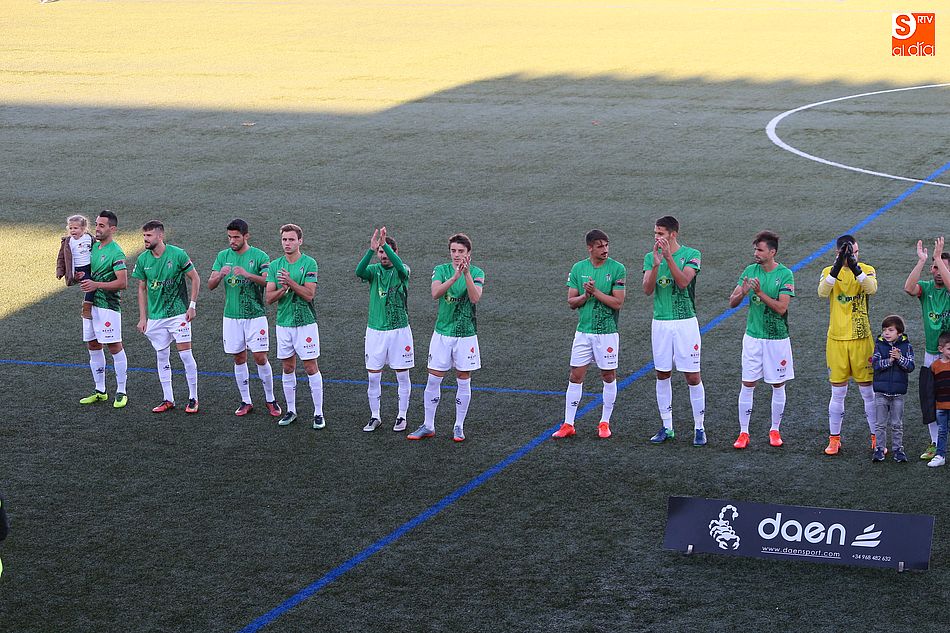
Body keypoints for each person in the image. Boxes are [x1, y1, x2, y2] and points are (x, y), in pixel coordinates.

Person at [408, 233, 484, 442]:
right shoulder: (441, 270)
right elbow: (435, 293)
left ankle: (458, 426)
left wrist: (466, 274)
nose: (456, 255)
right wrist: (454, 277)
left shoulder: (477, 273)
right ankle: (428, 425)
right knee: (433, 378)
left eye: (461, 251)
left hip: (466, 335)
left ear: (469, 253)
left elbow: (475, 297)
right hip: (442, 333)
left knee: (463, 379)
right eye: (453, 251)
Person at [552, 229, 626, 439]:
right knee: (575, 376)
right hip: (583, 333)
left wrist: (595, 293)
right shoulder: (578, 268)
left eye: (606, 245)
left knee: (608, 375)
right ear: (590, 248)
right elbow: (571, 302)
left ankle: (604, 422)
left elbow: (618, 302)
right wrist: (585, 295)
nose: (605, 250)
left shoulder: (618, 269)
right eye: (600, 246)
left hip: (607, 333)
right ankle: (568, 424)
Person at [642, 216, 707, 446]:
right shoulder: (651, 257)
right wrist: (657, 263)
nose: (657, 238)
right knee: (662, 374)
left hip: (685, 322)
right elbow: (647, 290)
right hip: (660, 322)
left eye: (661, 233)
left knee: (692, 376)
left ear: (673, 234)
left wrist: (668, 258)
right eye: (655, 234)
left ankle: (699, 427)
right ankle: (667, 426)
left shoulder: (692, 255)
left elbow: (682, 282)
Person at [207, 219, 281, 418]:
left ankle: (270, 399)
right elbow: (210, 284)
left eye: (236, 237)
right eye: (229, 237)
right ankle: (246, 400)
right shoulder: (223, 256)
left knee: (260, 357)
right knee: (239, 357)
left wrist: (248, 274)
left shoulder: (259, 256)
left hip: (255, 316)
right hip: (231, 317)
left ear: (246, 236)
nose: (232, 241)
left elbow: (268, 281)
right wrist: (219, 276)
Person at [728, 231, 795, 449]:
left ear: (772, 252)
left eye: (760, 249)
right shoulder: (749, 271)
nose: (755, 253)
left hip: (777, 339)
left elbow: (782, 307)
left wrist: (760, 293)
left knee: (777, 384)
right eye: (755, 249)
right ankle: (743, 432)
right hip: (754, 337)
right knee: (748, 384)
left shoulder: (785, 275)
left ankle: (775, 429)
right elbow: (732, 302)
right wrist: (743, 291)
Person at [131, 220, 201, 413]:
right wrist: (143, 317)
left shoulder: (177, 254)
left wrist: (192, 306)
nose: (145, 239)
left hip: (178, 313)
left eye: (149, 236)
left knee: (185, 355)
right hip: (156, 317)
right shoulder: (143, 259)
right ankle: (168, 398)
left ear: (160, 236)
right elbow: (141, 288)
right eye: (144, 236)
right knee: (162, 355)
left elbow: (195, 278)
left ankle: (193, 398)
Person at [818, 234, 878, 455]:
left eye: (857, 252)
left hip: (862, 340)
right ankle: (834, 439)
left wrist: (855, 266)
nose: (855, 255)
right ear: (838, 253)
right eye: (851, 252)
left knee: (868, 394)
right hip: (837, 341)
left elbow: (871, 289)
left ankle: (876, 438)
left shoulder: (867, 268)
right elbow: (822, 292)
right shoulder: (828, 271)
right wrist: (836, 267)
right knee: (838, 393)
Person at [265, 224, 323, 429]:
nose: (287, 243)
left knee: (310, 367)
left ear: (300, 241)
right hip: (284, 324)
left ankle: (318, 413)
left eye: (291, 239)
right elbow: (269, 298)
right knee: (288, 367)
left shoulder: (309, 263)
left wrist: (289, 281)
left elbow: (309, 294)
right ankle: (291, 410)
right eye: (284, 240)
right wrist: (283, 289)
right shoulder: (274, 266)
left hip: (306, 324)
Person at [356, 227, 413, 432]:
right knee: (373, 376)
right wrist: (371, 250)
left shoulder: (402, 269)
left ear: (394, 252)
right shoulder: (373, 271)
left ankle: (401, 416)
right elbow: (358, 272)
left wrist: (385, 245)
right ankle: (375, 416)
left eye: (385, 251)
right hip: (376, 331)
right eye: (380, 252)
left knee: (402, 375)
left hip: (399, 330)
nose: (383, 255)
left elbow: (399, 265)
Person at [76, 211, 130, 408]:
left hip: (108, 306)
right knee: (93, 345)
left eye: (101, 226)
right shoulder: (94, 248)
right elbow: (89, 274)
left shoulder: (117, 252)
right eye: (96, 224)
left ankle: (121, 391)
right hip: (89, 305)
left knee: (114, 346)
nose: (97, 229)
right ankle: (100, 390)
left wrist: (96, 285)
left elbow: (123, 283)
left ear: (112, 229)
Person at [903, 238, 950, 460]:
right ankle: (934, 442)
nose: (938, 271)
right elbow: (909, 288)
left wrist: (939, 258)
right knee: (930, 398)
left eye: (943, 267)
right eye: (936, 267)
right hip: (931, 354)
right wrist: (923, 260)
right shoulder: (928, 288)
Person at [870, 315, 915, 462]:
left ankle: (898, 450)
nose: (886, 333)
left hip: (898, 394)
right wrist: (890, 361)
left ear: (899, 333)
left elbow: (910, 367)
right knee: (880, 424)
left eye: (890, 330)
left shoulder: (907, 347)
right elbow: (875, 365)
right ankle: (879, 449)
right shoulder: (879, 345)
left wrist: (899, 358)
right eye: (884, 330)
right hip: (881, 393)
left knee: (897, 424)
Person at [56, 214, 96, 319]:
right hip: (79, 269)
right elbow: (61, 257)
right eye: (70, 228)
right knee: (90, 286)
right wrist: (60, 271)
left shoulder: (89, 238)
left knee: (100, 283)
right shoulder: (68, 241)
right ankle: (86, 309)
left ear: (84, 229)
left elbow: (97, 249)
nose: (73, 230)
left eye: (75, 228)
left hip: (91, 267)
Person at [926, 332, 950, 468]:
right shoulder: (935, 366)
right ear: (941, 349)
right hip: (940, 406)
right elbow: (930, 388)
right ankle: (940, 455)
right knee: (942, 431)